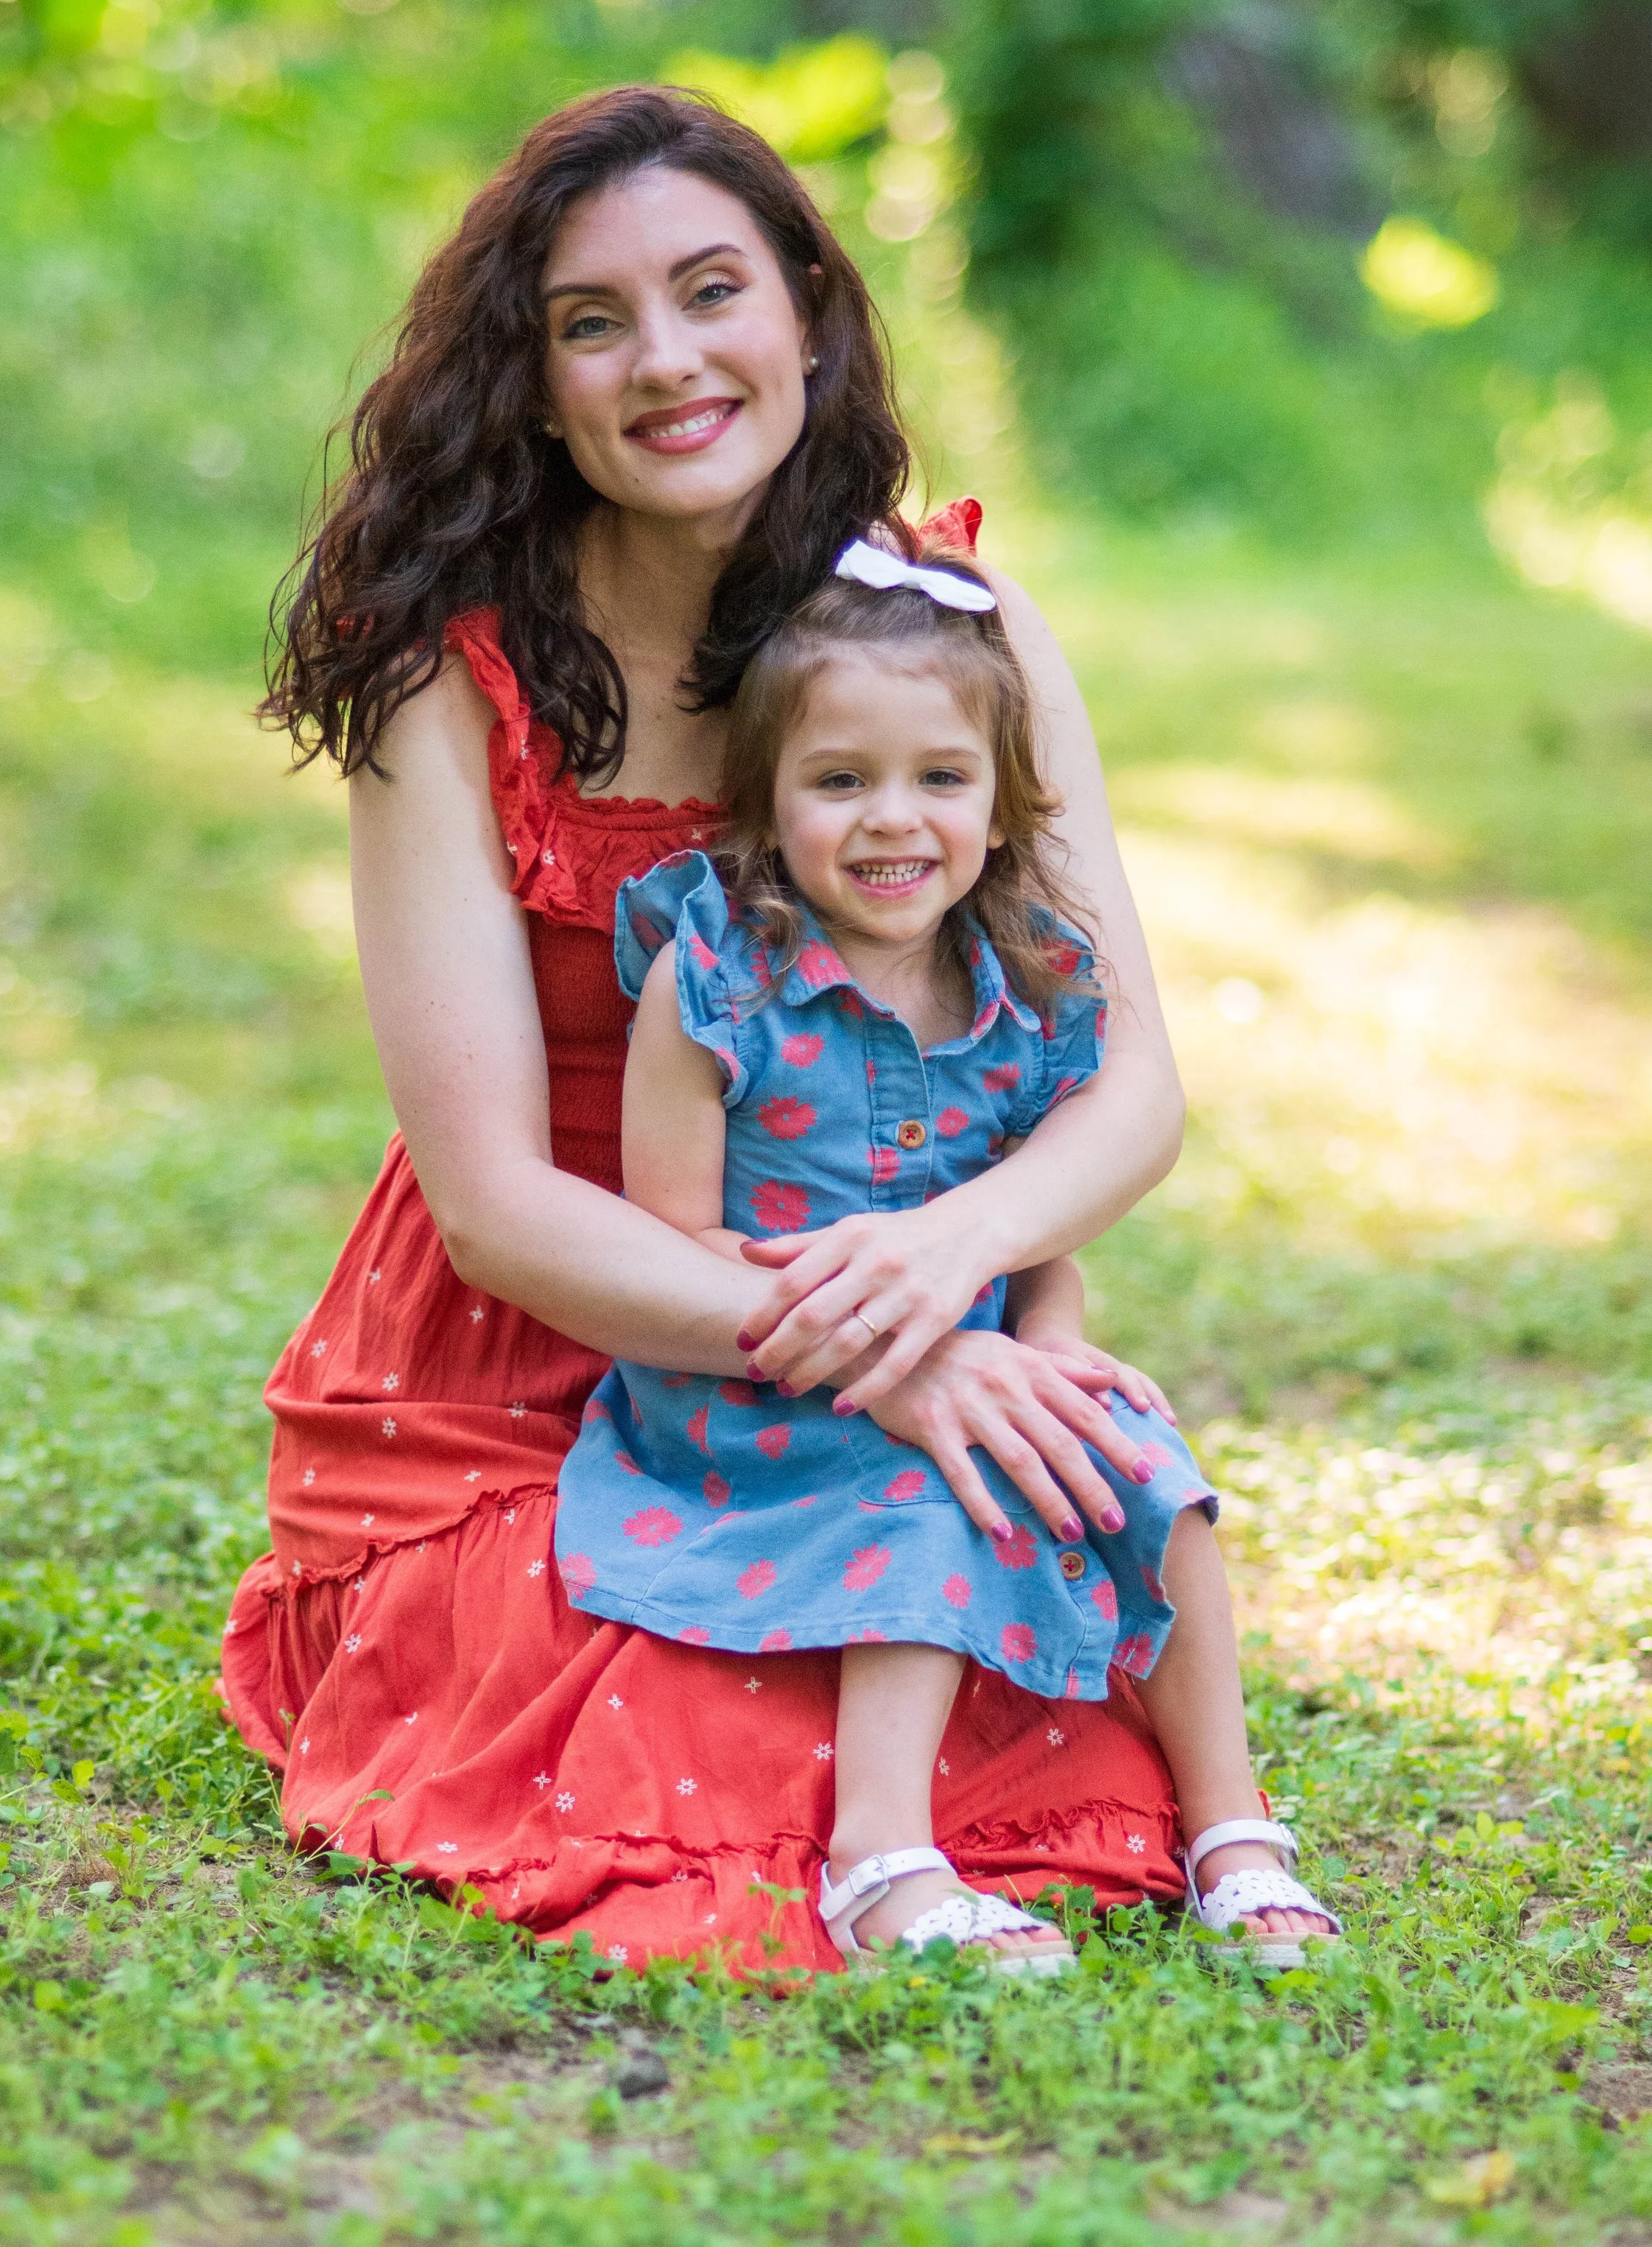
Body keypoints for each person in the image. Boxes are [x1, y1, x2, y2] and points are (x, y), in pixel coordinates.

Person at [220, 83, 1291, 1974]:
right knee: (677, 1739)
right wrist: (872, 1364)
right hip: (539, 1332)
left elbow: (1125, 1084)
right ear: (531, 377)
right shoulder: (444, 678)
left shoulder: (952, 630)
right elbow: (484, 1202)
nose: (666, 361)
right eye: (591, 320)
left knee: (983, 1629)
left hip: (890, 1279)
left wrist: (942, 1287)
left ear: (806, 303)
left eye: (712, 290)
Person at [555, 558, 1339, 1971]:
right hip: (767, 1374)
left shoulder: (1025, 977)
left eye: (940, 778)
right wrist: (885, 1348)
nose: (893, 820)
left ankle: (1229, 1826)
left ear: (1002, 800)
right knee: (933, 1487)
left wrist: (1053, 1337)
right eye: (840, 781)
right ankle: (880, 1861)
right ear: (767, 797)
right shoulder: (717, 981)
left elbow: (1044, 1222)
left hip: (972, 1357)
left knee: (1155, 1483)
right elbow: (671, 1237)